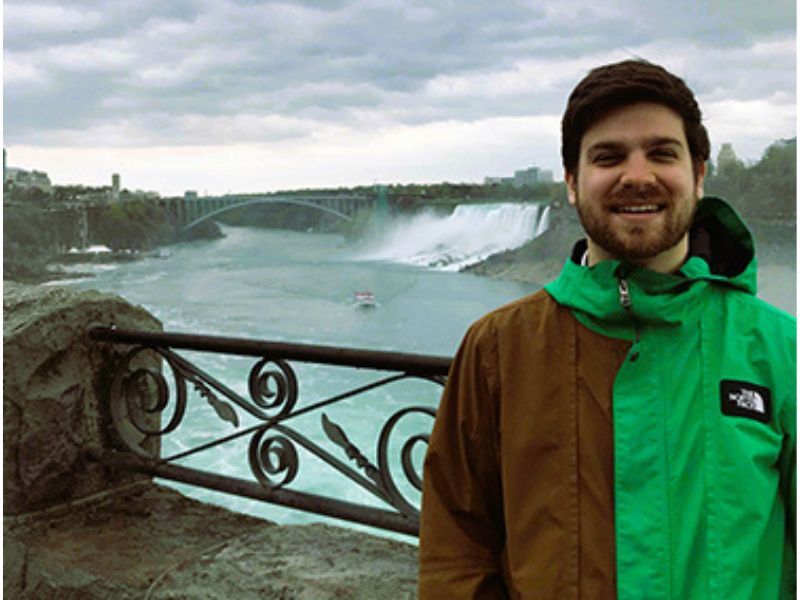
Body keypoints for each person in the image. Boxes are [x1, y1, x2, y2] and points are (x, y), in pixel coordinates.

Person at [418, 59, 796, 599]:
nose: (637, 175)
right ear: (572, 182)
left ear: (699, 174)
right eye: (608, 156)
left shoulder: (781, 352)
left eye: (662, 153)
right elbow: (456, 552)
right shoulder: (497, 351)